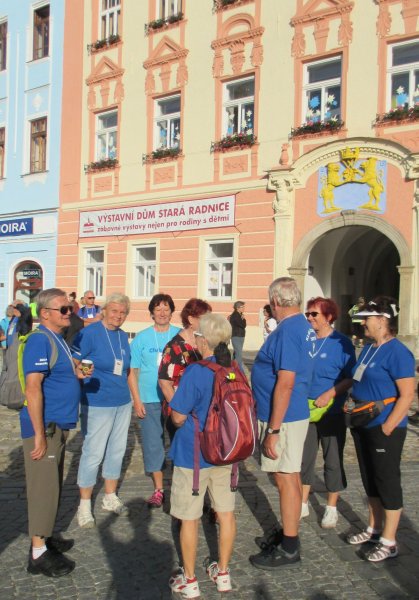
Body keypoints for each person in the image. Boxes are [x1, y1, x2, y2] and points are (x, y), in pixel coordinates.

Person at [249, 277, 315, 570]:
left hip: (284, 417)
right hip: (287, 414)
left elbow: (286, 382)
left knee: (287, 477)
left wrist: (273, 431)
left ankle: (290, 546)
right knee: (285, 476)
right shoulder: (302, 326)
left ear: (275, 301)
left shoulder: (289, 330)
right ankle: (288, 534)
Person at [21, 288, 87, 577]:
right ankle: (37, 554)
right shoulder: (39, 340)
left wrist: (79, 371)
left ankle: (45, 538)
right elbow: (33, 388)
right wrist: (38, 434)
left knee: (53, 485)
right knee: (42, 489)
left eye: (70, 308)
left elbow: (67, 369)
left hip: (57, 424)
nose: (69, 313)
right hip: (43, 427)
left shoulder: (58, 339)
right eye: (63, 309)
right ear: (45, 313)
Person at [169, 313, 236, 597]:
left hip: (194, 455)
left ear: (204, 340)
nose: (194, 338)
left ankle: (190, 580)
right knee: (226, 513)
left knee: (189, 517)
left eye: (197, 335)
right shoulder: (234, 368)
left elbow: (178, 417)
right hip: (227, 453)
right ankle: (222, 573)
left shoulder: (196, 371)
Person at [345, 297, 415, 562]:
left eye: (367, 318)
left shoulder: (398, 352)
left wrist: (388, 425)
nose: (363, 322)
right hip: (363, 423)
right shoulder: (370, 348)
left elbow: (407, 394)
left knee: (387, 481)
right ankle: (374, 529)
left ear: (383, 320)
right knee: (370, 479)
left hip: (385, 426)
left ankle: (390, 540)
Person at [72, 293, 138, 528]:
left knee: (117, 450)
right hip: (97, 401)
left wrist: (135, 399)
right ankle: (84, 504)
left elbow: (127, 369)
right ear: (105, 310)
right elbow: (75, 359)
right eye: (114, 311)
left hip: (121, 401)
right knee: (93, 452)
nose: (118, 316)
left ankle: (109, 496)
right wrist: (84, 372)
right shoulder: (89, 333)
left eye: (123, 313)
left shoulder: (122, 336)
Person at [300, 297, 356, 528]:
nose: (310, 318)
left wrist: (331, 393)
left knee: (332, 459)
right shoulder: (307, 340)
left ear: (329, 316)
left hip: (331, 410)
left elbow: (350, 377)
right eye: (308, 314)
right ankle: (302, 501)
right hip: (306, 409)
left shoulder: (341, 343)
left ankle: (331, 507)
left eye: (315, 314)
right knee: (305, 459)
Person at [130, 294, 180, 508]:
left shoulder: (179, 335)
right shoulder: (142, 338)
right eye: (158, 308)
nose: (162, 313)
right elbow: (132, 371)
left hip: (176, 400)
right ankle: (159, 489)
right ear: (151, 312)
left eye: (166, 308)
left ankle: (180, 487)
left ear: (171, 312)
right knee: (153, 445)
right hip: (149, 399)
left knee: (179, 443)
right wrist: (136, 400)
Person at [158, 298, 212, 437]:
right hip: (181, 415)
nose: (208, 322)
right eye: (205, 318)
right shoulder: (175, 347)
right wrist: (180, 411)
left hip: (200, 412)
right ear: (191, 319)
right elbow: (164, 383)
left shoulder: (203, 343)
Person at [229, 301, 246, 371]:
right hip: (237, 336)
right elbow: (243, 325)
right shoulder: (235, 315)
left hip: (239, 336)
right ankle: (239, 370)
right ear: (237, 308)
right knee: (239, 353)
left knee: (236, 353)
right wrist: (243, 319)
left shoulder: (239, 315)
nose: (244, 308)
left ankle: (232, 369)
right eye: (242, 307)